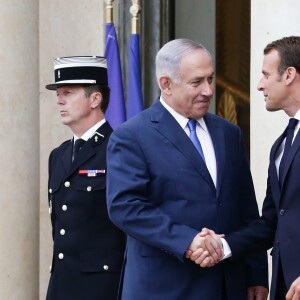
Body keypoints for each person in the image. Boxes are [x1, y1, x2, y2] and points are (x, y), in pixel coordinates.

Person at [106, 39, 268, 300]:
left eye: (211, 79)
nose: (208, 91)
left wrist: (257, 275)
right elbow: (126, 206)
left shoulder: (229, 133)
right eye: (197, 82)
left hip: (228, 286)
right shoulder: (132, 136)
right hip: (165, 287)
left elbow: (246, 209)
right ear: (166, 84)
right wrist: (188, 241)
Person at [195, 36, 300, 300]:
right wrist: (223, 245)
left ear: (289, 75)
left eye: (265, 75)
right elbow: (270, 223)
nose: (259, 85)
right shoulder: (282, 145)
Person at [45, 56, 125, 300]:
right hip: (61, 286)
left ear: (95, 99)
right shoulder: (58, 155)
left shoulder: (119, 149)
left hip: (102, 289)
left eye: (68, 92)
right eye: (58, 93)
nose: (59, 100)